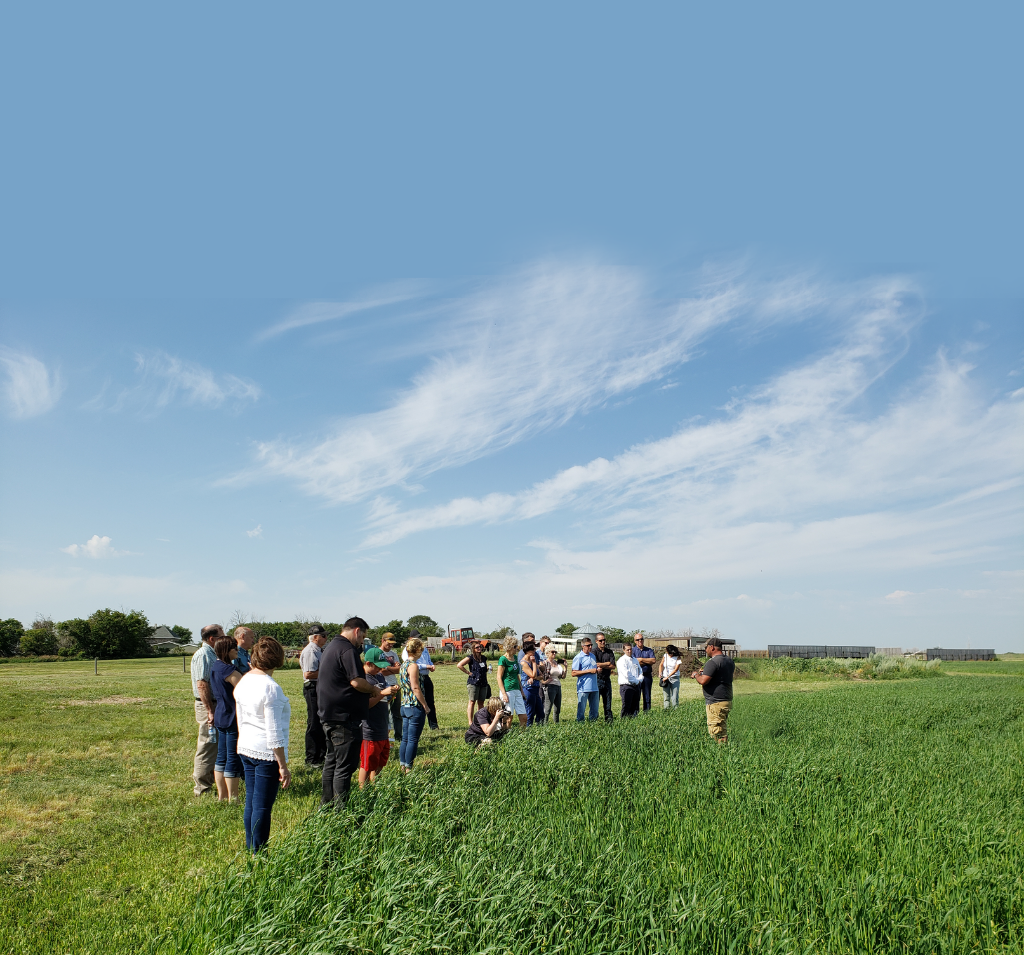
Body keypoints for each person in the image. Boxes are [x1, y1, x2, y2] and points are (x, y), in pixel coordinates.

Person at [235, 636, 291, 852]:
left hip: (246, 747)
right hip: (265, 753)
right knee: (262, 806)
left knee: (251, 801)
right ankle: (259, 852)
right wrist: (283, 766)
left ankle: (251, 847)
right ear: (277, 659)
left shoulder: (245, 680)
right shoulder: (270, 687)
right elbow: (274, 731)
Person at [318, 616, 382, 806]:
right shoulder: (347, 650)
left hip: (329, 715)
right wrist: (373, 689)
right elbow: (356, 681)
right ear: (356, 631)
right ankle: (341, 810)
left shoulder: (330, 647)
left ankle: (326, 805)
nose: (362, 641)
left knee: (331, 762)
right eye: (362, 637)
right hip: (344, 718)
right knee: (345, 767)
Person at [210, 636, 243, 801]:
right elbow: (245, 690)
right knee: (232, 756)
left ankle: (221, 796)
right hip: (231, 715)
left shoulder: (216, 666)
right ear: (226, 650)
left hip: (220, 715)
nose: (237, 651)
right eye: (234, 648)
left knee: (221, 756)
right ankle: (233, 798)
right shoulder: (229, 670)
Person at [190, 624, 221, 796]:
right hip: (208, 705)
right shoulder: (203, 655)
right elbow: (202, 684)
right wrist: (210, 710)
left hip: (214, 704)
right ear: (212, 639)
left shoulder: (212, 654)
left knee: (214, 745)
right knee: (207, 745)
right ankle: (201, 788)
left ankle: (210, 782)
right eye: (221, 637)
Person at [359, 660, 398, 787]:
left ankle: (374, 787)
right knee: (367, 762)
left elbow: (382, 699)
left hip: (382, 725)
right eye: (377, 666)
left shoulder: (379, 676)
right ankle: (362, 790)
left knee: (380, 760)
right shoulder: (363, 680)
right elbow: (366, 705)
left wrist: (391, 693)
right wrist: (382, 694)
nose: (379, 670)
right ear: (368, 663)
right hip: (370, 728)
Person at [397, 636, 433, 771]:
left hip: (404, 705)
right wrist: (425, 705)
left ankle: (402, 765)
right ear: (417, 650)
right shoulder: (413, 666)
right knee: (412, 739)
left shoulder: (403, 665)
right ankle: (408, 768)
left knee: (405, 738)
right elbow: (416, 687)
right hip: (414, 706)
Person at [691, 636, 735, 743]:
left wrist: (696, 675)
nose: (705, 650)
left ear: (712, 647)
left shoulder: (712, 662)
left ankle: (720, 755)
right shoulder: (729, 661)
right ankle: (725, 751)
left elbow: (703, 681)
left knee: (716, 732)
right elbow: (720, 676)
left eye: (706, 648)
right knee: (722, 728)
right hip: (726, 699)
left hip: (716, 702)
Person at [364, 631, 402, 742]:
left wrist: (389, 670)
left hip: (391, 686)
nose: (380, 669)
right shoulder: (366, 680)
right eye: (388, 642)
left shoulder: (393, 655)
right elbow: (383, 672)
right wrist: (382, 693)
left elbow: (399, 669)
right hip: (370, 733)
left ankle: (397, 736)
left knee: (395, 714)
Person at [299, 625, 328, 766]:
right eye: (323, 636)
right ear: (315, 637)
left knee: (320, 721)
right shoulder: (311, 651)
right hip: (312, 688)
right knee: (314, 722)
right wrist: (329, 671)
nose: (326, 638)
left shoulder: (318, 650)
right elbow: (309, 673)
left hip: (318, 687)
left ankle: (321, 755)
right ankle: (311, 758)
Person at [402, 632, 438, 730]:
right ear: (410, 638)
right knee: (418, 700)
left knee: (430, 700)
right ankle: (418, 723)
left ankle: (433, 725)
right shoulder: (407, 650)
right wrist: (426, 666)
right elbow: (410, 663)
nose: (419, 639)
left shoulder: (424, 649)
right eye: (416, 638)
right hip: (416, 676)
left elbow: (429, 660)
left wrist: (431, 665)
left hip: (426, 676)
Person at [496, 636, 528, 727]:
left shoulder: (515, 657)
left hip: (517, 689)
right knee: (508, 717)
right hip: (507, 690)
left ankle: (523, 735)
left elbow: (517, 675)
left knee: (524, 717)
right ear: (509, 647)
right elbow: (499, 677)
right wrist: (504, 693)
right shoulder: (503, 659)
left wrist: (521, 690)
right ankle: (505, 735)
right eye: (515, 646)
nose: (517, 648)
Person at [457, 640, 489, 726]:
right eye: (477, 647)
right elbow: (459, 665)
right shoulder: (470, 658)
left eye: (480, 647)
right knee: (472, 701)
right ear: (473, 649)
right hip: (473, 682)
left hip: (483, 682)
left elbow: (483, 668)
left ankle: (480, 720)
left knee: (481, 702)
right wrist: (468, 672)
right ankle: (470, 722)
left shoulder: (484, 658)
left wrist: (488, 669)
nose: (479, 648)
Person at [571, 638, 600, 722]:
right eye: (588, 645)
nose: (590, 647)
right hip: (583, 688)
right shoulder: (578, 657)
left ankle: (593, 725)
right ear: (583, 646)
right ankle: (580, 725)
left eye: (591, 645)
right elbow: (573, 673)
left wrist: (597, 669)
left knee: (595, 711)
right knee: (581, 710)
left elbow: (594, 667)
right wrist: (588, 671)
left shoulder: (592, 656)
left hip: (594, 687)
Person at [518, 634, 543, 725]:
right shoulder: (524, 663)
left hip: (535, 688)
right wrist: (533, 663)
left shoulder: (533, 661)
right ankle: (527, 732)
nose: (535, 651)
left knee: (540, 713)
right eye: (533, 649)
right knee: (530, 712)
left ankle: (540, 730)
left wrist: (534, 677)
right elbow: (533, 674)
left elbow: (540, 675)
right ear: (528, 651)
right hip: (528, 689)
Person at [615, 640, 644, 717]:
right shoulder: (621, 661)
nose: (629, 651)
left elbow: (640, 671)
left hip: (636, 686)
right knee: (627, 706)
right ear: (624, 650)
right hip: (627, 686)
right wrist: (636, 681)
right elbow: (627, 674)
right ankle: (624, 722)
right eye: (627, 649)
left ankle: (632, 722)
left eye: (630, 649)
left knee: (635, 706)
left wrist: (640, 679)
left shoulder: (634, 659)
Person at [593, 632, 616, 722]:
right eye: (600, 640)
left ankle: (609, 720)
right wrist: (607, 663)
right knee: (596, 702)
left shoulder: (609, 652)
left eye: (604, 640)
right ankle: (595, 720)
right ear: (596, 641)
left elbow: (613, 666)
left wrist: (602, 665)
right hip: (597, 679)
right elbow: (595, 664)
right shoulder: (594, 652)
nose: (603, 642)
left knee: (608, 701)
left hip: (607, 679)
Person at [632, 632, 657, 711]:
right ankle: (636, 713)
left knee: (647, 696)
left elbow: (653, 660)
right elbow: (634, 662)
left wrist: (641, 659)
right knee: (636, 696)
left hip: (647, 676)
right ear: (635, 641)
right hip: (637, 676)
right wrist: (647, 661)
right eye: (638, 639)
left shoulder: (649, 650)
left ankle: (647, 713)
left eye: (641, 639)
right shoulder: (632, 651)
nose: (640, 641)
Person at [541, 646, 566, 723]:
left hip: (558, 686)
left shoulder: (557, 663)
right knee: (547, 707)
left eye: (555, 652)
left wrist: (565, 667)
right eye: (552, 652)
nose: (554, 653)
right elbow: (540, 675)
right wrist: (544, 682)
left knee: (557, 707)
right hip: (550, 686)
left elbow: (563, 676)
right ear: (547, 653)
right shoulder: (544, 663)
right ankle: (544, 723)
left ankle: (556, 723)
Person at [659, 644, 683, 708]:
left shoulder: (678, 657)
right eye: (669, 653)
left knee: (674, 696)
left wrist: (668, 677)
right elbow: (661, 664)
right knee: (666, 696)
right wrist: (660, 673)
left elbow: (675, 669)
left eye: (671, 653)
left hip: (674, 678)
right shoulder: (665, 656)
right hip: (665, 678)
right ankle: (666, 710)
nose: (670, 655)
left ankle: (675, 709)